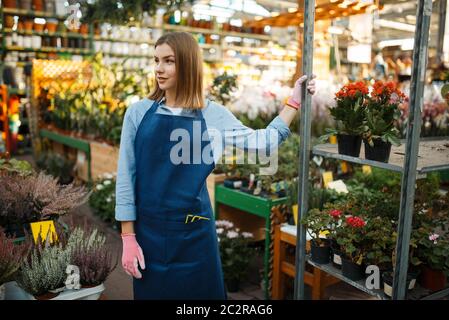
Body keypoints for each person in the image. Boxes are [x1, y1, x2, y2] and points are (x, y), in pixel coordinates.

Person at [115, 32, 316, 300]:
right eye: (156, 60)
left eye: (169, 61)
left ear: (187, 65)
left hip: (194, 238)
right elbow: (126, 175)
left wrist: (294, 102)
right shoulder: (138, 113)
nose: (159, 69)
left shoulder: (213, 116)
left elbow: (264, 142)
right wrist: (127, 237)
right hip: (148, 235)